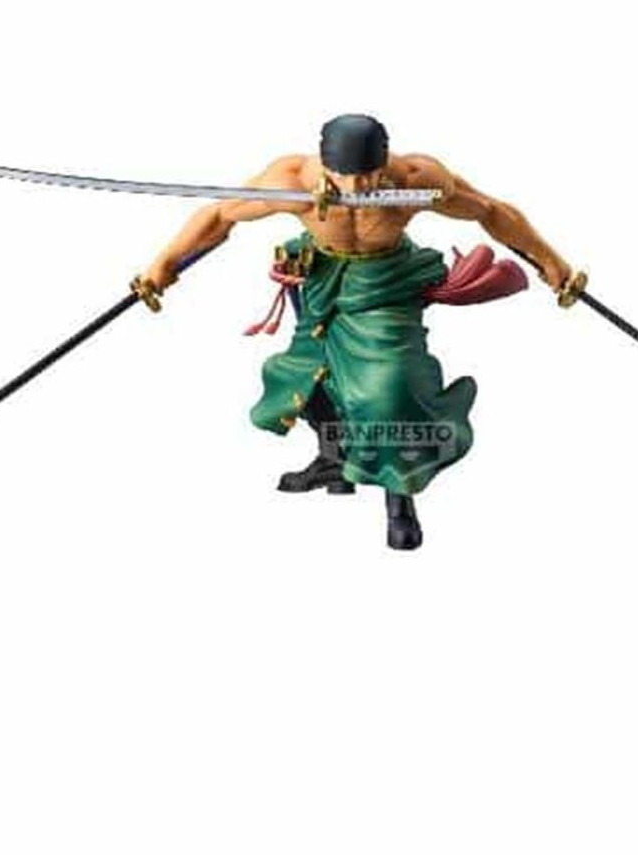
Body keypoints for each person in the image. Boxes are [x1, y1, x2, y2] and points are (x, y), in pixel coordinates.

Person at [141, 115, 575, 550]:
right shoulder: (291, 182)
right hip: (322, 280)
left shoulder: (415, 180)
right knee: (306, 377)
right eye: (343, 177)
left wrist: (550, 262)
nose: (355, 188)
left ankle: (399, 496)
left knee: (390, 390)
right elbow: (219, 215)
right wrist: (163, 266)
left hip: (385, 284)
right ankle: (334, 460)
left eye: (367, 176)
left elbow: (491, 211)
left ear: (383, 163)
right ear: (325, 165)